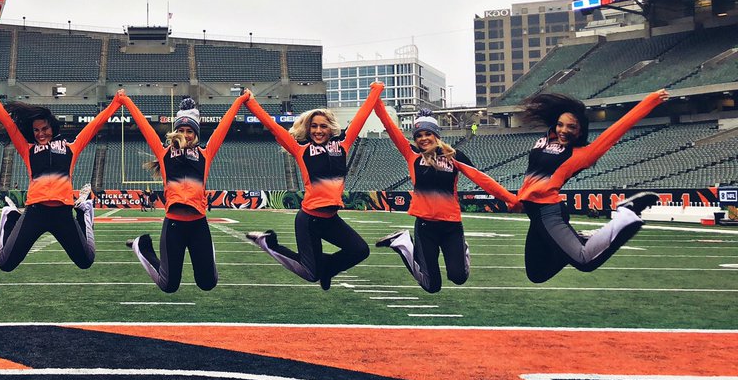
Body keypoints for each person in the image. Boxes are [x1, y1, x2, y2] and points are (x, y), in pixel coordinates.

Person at [515, 89, 668, 283]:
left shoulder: (582, 154)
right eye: (561, 125)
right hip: (535, 214)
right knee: (537, 273)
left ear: (580, 131)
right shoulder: (545, 140)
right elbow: (531, 176)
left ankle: (626, 215)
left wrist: (651, 100)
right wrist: (518, 199)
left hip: (548, 213)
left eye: (571, 127)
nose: (563, 130)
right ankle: (579, 239)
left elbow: (617, 129)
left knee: (584, 259)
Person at [243, 83, 384, 290]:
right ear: (308, 129)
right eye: (314, 126)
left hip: (331, 219)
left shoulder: (342, 145)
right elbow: (273, 127)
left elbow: (361, 117)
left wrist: (376, 91)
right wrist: (251, 102)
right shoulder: (301, 149)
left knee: (360, 250)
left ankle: (327, 269)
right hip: (309, 220)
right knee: (310, 274)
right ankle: (269, 243)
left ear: (331, 128)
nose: (318, 130)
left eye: (323, 126)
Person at [0, 83, 123, 271]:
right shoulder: (27, 150)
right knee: (5, 264)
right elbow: (7, 122)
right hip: (35, 212)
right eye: (36, 130)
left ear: (52, 127)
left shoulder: (71, 148)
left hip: (62, 213)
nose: (40, 134)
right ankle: (11, 216)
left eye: (44, 128)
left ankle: (84, 211)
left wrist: (116, 104)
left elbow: (94, 125)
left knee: (85, 261)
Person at [372, 107, 518, 293]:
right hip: (425, 228)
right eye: (419, 135)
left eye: (428, 134)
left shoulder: (453, 156)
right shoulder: (413, 156)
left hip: (451, 227)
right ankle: (402, 243)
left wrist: (511, 199)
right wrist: (376, 100)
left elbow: (482, 179)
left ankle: (460, 246)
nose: (423, 138)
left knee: (459, 277)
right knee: (431, 286)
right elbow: (391, 129)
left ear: (436, 135)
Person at [119, 91, 250, 292]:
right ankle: (142, 246)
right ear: (176, 131)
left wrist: (240, 101)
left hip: (198, 224)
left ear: (196, 134)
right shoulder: (164, 154)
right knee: (168, 285)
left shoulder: (205, 154)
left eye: (190, 130)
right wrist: (126, 100)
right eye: (182, 130)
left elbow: (224, 126)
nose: (186, 134)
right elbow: (144, 127)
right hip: (174, 225)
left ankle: (208, 254)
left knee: (207, 283)